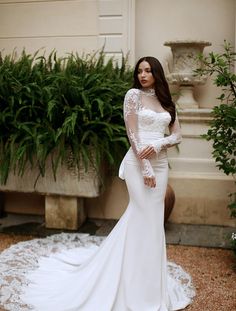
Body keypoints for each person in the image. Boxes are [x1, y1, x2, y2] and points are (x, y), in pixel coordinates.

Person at [11, 56, 195, 311]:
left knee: (152, 222)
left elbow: (177, 135)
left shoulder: (166, 101)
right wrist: (145, 165)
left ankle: (148, 285)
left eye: (148, 70)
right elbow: (132, 134)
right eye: (139, 71)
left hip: (161, 164)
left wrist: (158, 144)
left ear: (157, 74)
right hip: (138, 163)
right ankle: (126, 284)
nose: (143, 75)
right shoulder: (133, 95)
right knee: (142, 216)